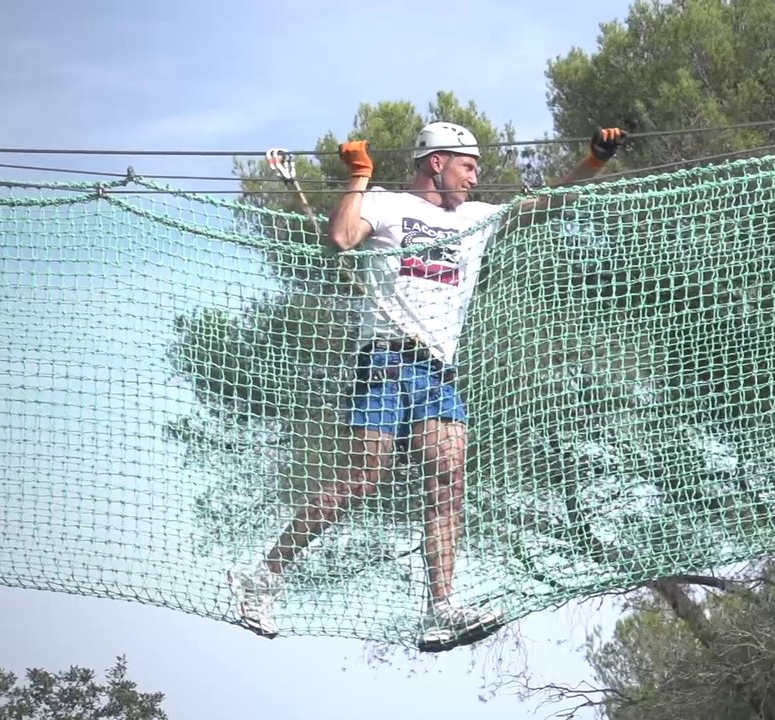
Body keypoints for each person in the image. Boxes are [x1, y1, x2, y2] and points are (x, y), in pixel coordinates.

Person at [228, 121, 628, 652]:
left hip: (437, 371)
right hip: (385, 361)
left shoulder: (478, 219)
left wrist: (596, 159)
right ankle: (265, 576)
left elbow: (550, 202)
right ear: (435, 162)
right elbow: (341, 237)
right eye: (468, 166)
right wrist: (360, 178)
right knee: (363, 478)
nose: (475, 178)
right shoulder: (389, 206)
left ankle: (441, 610)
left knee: (448, 481)